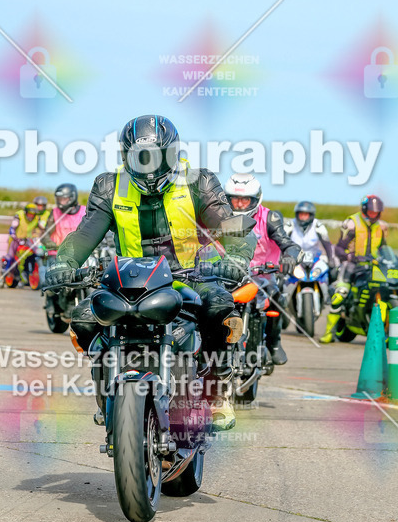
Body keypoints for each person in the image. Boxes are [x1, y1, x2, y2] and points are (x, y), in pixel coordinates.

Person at [45, 115, 255, 430]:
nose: (148, 166)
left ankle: (215, 390)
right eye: (139, 158)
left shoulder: (198, 181)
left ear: (172, 153)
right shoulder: (108, 185)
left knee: (220, 306)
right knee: (84, 319)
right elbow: (86, 233)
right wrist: (65, 262)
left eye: (156, 156)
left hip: (186, 278)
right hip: (125, 282)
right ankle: (107, 391)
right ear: (125, 157)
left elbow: (232, 227)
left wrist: (236, 256)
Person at [223, 174, 299, 365]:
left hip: (262, 276)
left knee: (276, 297)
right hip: (228, 275)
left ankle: (274, 343)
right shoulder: (219, 216)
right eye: (235, 199)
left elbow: (289, 244)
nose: (239, 205)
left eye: (245, 200)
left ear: (255, 199)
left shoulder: (269, 217)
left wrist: (289, 257)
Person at [321, 194, 387, 344]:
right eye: (371, 212)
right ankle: (328, 333)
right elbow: (339, 248)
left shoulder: (381, 227)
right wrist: (350, 257)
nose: (373, 215)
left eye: (376, 212)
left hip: (371, 267)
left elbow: (384, 248)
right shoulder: (352, 223)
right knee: (340, 295)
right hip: (351, 266)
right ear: (364, 209)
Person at [43, 184, 87, 328]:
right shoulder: (54, 213)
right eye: (59, 199)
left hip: (80, 255)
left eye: (64, 199)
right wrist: (50, 244)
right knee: (53, 281)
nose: (61, 202)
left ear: (73, 198)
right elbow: (45, 234)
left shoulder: (85, 212)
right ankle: (52, 303)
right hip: (57, 254)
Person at [2, 202, 42, 281]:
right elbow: (12, 228)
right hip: (16, 240)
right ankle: (4, 274)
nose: (31, 216)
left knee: (35, 253)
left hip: (28, 241)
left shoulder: (37, 218)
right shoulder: (19, 216)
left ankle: (28, 271)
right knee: (11, 256)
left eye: (33, 214)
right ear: (26, 212)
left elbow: (42, 229)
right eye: (30, 214)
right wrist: (14, 235)